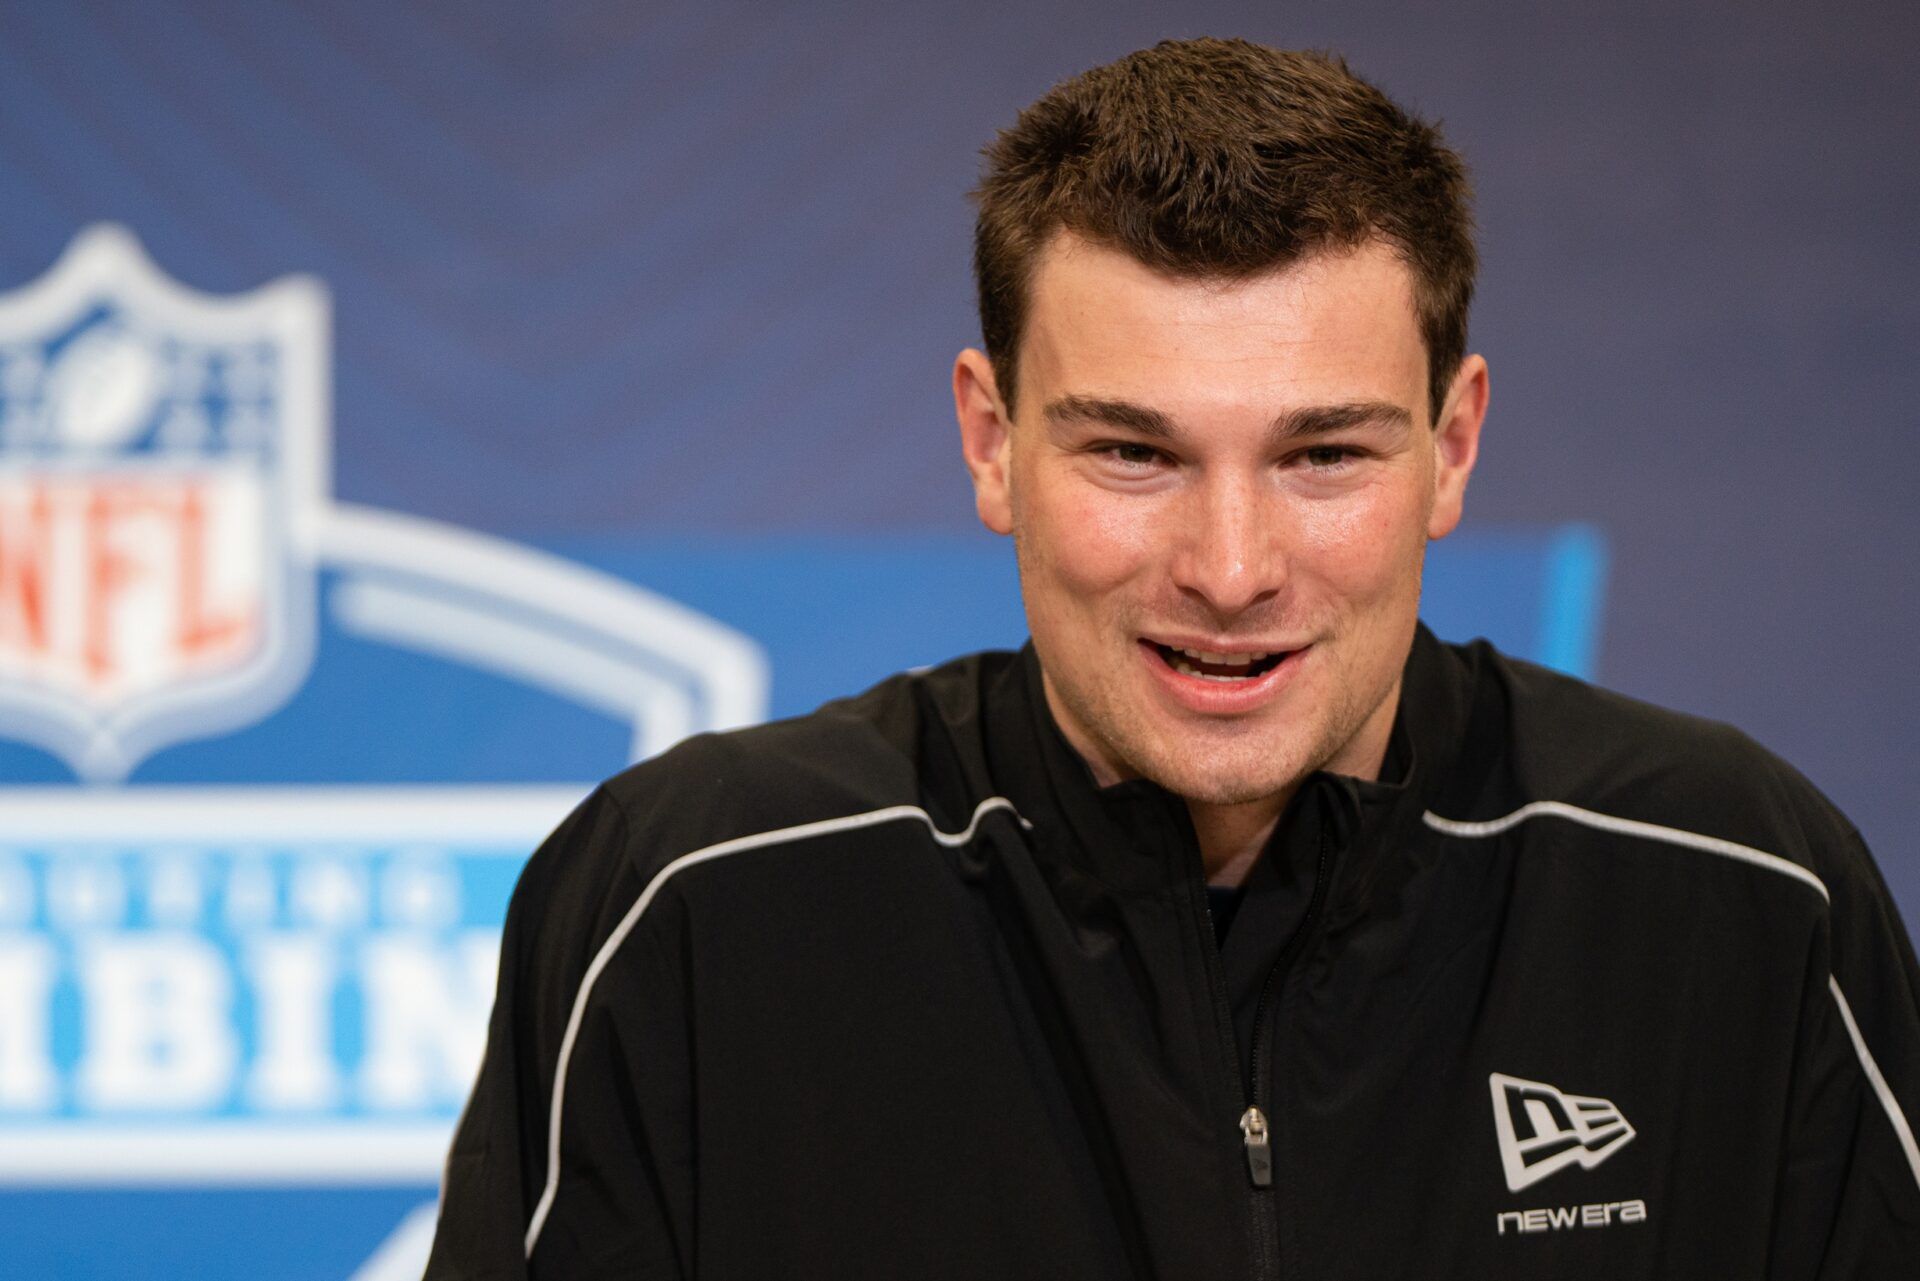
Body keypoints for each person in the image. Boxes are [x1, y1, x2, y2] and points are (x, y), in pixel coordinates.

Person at [426, 38, 1920, 1279]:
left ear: (1453, 446)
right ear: (991, 438)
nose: (1229, 568)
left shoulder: (1743, 896)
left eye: (1322, 452)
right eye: (1134, 451)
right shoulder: (692, 904)